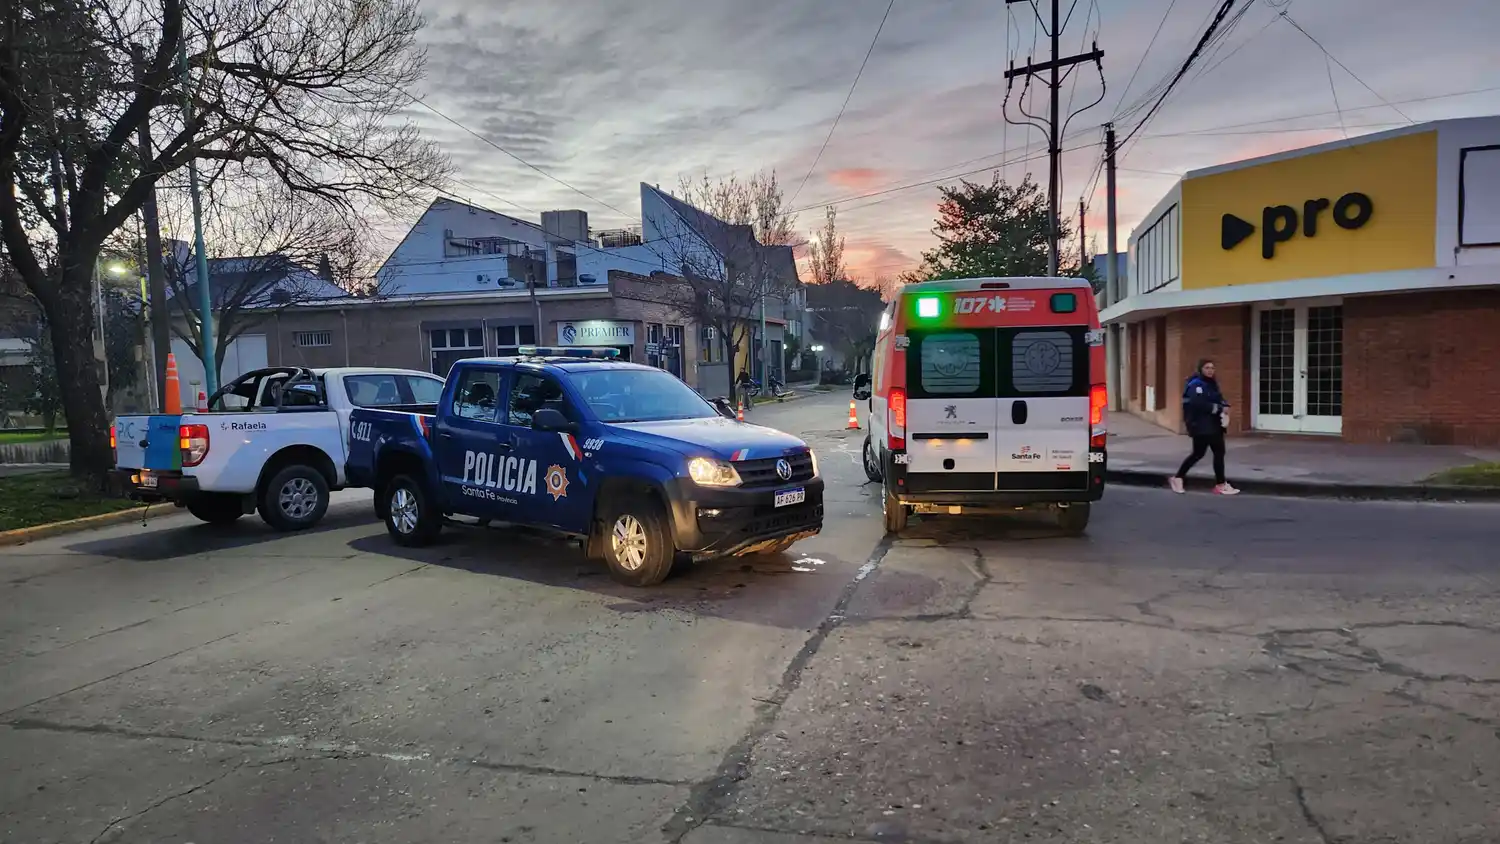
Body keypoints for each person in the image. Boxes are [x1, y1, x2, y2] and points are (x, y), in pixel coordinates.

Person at [1170, 359, 1239, 495]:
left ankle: (1219, 483)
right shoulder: (1196, 385)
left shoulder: (1211, 384)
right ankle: (1178, 478)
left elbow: (1218, 398)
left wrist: (1225, 405)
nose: (1210, 370)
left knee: (1214, 453)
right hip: (1201, 426)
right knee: (1201, 453)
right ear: (1201, 369)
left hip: (1212, 425)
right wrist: (1219, 408)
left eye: (1212, 368)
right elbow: (1198, 404)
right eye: (1207, 368)